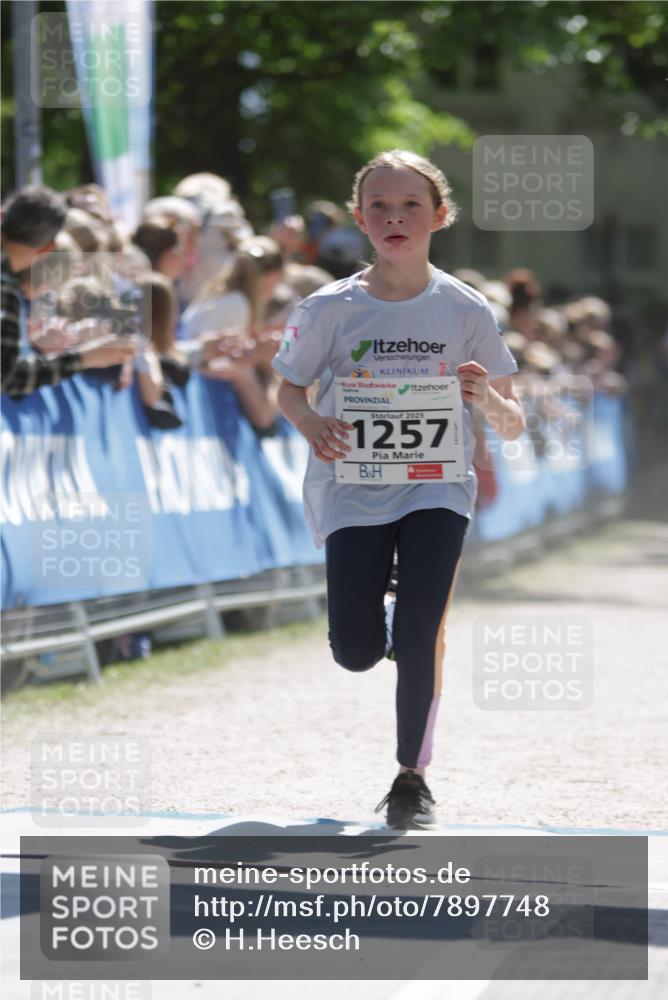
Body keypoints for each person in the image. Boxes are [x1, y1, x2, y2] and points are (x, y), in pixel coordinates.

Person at [272, 149, 525, 830]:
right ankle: (378, 594)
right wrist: (311, 422)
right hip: (350, 488)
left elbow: (513, 417)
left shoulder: (465, 308)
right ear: (359, 219)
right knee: (355, 651)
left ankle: (411, 777)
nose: (394, 217)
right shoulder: (328, 307)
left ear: (439, 216)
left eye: (410, 204)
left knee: (419, 633)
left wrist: (484, 399)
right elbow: (287, 388)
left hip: (437, 488)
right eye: (379, 206)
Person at [1, 186, 135, 397]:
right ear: (48, 248)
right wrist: (86, 357)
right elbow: (9, 377)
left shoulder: (8, 286)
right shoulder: (6, 290)